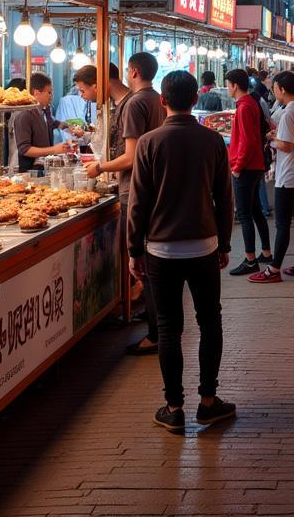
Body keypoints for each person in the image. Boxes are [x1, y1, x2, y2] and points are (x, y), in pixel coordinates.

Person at [127, 71, 235, 433]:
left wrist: (133, 248)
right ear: (195, 100)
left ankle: (174, 407)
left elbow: (137, 202)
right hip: (204, 245)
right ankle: (208, 401)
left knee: (170, 328)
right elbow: (225, 198)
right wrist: (224, 241)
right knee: (210, 322)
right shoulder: (212, 141)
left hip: (160, 249)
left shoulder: (148, 143)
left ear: (162, 101)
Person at [85, 52, 166, 355]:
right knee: (151, 261)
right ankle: (154, 321)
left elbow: (130, 157)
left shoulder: (133, 104)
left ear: (132, 71)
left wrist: (101, 167)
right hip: (152, 188)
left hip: (134, 189)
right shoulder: (156, 99)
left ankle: (156, 333)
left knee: (142, 263)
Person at [250, 71, 294, 282]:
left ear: (282, 90)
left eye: (275, 88)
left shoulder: (288, 114)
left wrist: (270, 140)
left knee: (282, 225)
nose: (273, 91)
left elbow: (286, 145)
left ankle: (273, 269)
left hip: (288, 177)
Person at [225, 68, 272, 274]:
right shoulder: (251, 103)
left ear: (235, 85)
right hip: (255, 165)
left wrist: (237, 166)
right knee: (255, 211)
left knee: (244, 214)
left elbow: (248, 141)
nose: (227, 88)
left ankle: (250, 259)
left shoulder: (244, 107)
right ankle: (267, 253)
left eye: (227, 84)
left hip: (245, 167)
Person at [12, 72, 72, 173]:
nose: (51, 96)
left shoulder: (43, 111)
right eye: (49, 92)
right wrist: (54, 149)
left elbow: (52, 122)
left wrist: (69, 128)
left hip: (43, 168)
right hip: (30, 172)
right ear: (36, 92)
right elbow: (24, 149)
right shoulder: (24, 115)